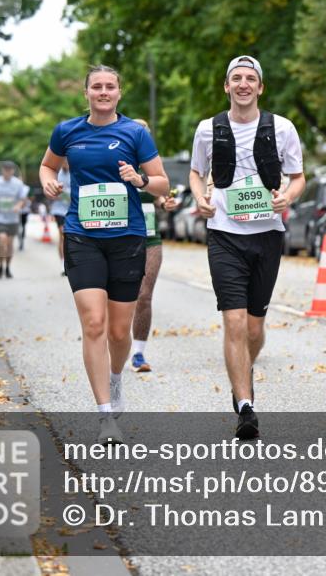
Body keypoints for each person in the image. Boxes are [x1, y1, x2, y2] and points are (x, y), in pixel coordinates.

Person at [39, 65, 169, 444]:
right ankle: (105, 415)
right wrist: (49, 180)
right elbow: (48, 165)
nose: (103, 92)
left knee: (118, 331)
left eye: (110, 86)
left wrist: (139, 180)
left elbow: (162, 183)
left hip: (127, 239)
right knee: (94, 324)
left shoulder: (135, 133)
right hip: (82, 236)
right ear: (87, 93)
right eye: (96, 86)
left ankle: (115, 378)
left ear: (118, 93)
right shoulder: (67, 131)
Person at [189, 55, 305, 439]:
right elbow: (196, 173)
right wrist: (200, 198)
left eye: (250, 79)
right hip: (224, 233)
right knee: (234, 321)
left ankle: (242, 369)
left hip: (267, 234)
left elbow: (298, 177)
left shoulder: (282, 128)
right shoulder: (207, 129)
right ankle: (244, 406)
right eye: (236, 78)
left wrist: (288, 196)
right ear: (226, 86)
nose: (243, 84)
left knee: (254, 328)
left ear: (260, 87)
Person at [129, 118, 179, 373]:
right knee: (116, 298)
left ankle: (138, 353)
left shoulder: (152, 166)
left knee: (144, 295)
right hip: (121, 239)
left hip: (150, 238)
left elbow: (161, 198)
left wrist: (166, 203)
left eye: (145, 134)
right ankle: (113, 344)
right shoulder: (115, 162)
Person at [0, 162, 27, 278]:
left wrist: (18, 205)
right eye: (6, 169)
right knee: (2, 240)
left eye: (10, 170)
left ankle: (7, 267)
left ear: (13, 171)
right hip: (0, 217)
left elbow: (23, 199)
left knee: (9, 244)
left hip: (13, 218)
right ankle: (0, 266)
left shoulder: (18, 183)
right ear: (2, 170)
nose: (8, 172)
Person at [50, 158, 72, 275]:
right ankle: (63, 264)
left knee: (69, 237)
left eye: (67, 161)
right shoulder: (55, 174)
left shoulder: (75, 173)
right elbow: (49, 192)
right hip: (59, 210)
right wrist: (54, 194)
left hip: (72, 209)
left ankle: (70, 262)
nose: (65, 164)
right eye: (63, 161)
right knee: (63, 235)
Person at [18, 186, 32, 251]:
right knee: (18, 227)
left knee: (23, 226)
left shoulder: (27, 189)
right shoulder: (16, 187)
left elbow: (31, 198)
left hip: (25, 212)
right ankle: (20, 239)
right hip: (18, 212)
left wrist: (26, 201)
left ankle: (22, 239)